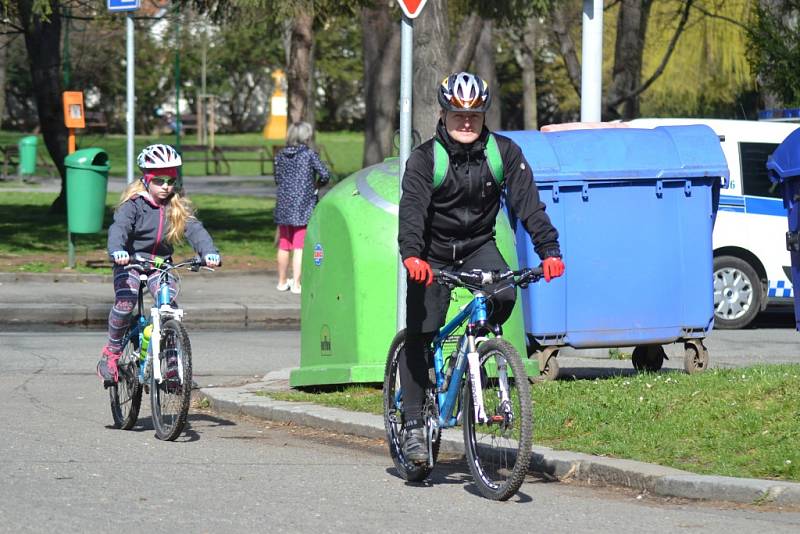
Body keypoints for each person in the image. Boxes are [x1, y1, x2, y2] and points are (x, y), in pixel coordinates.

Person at [397, 72, 565, 462]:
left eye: (475, 114)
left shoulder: (503, 153)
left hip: (477, 246)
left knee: (505, 293)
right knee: (421, 333)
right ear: (443, 113)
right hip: (430, 253)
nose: (467, 122)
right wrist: (412, 255)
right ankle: (413, 427)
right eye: (458, 114)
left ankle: (480, 351)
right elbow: (412, 212)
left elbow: (529, 207)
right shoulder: (426, 159)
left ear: (485, 114)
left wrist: (549, 251)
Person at [96, 144, 221, 386]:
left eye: (171, 180)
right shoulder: (133, 204)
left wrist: (209, 253)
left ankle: (174, 370)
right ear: (147, 178)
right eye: (160, 180)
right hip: (131, 261)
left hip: (160, 266)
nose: (166, 186)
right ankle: (110, 354)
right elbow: (119, 229)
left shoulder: (176, 205)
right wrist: (118, 251)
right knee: (125, 302)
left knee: (169, 309)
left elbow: (196, 230)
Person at [273, 121, 331, 294]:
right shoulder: (309, 154)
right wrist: (317, 185)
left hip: (284, 203)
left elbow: (277, 179)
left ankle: (282, 281)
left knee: (284, 244)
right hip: (303, 204)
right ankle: (297, 284)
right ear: (306, 136)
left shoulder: (280, 155)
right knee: (299, 246)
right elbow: (325, 174)